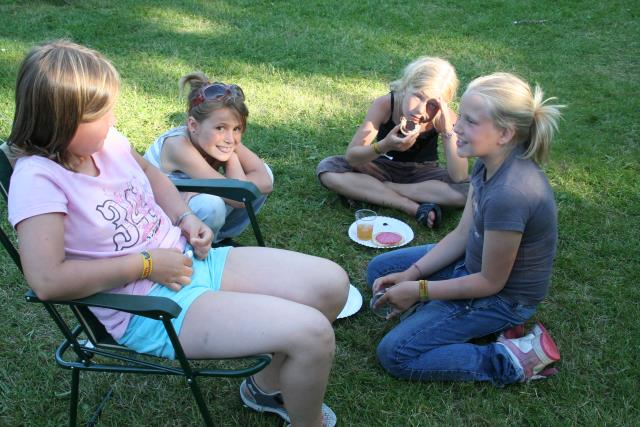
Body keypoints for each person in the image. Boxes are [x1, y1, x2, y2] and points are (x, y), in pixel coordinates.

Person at [7, 40, 347, 427]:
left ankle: (265, 387)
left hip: (190, 261)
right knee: (312, 335)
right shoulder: (38, 179)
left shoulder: (108, 143)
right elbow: (47, 281)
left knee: (331, 285)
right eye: (101, 113)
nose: (113, 119)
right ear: (62, 118)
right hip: (152, 309)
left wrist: (185, 217)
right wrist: (145, 265)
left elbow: (151, 175)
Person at [367, 72, 564, 385]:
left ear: (505, 134)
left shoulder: (510, 194)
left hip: (502, 298)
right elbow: (461, 235)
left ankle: (513, 358)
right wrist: (411, 274)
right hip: (471, 264)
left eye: (470, 121)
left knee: (395, 353)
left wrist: (419, 290)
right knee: (381, 270)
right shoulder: (488, 159)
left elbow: (489, 282)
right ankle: (454, 318)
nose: (456, 126)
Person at [317, 57, 469, 228]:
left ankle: (376, 190)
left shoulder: (444, 117)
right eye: (418, 96)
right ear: (405, 87)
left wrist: (448, 132)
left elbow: (459, 177)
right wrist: (384, 146)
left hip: (423, 175)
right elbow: (352, 157)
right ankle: (410, 206)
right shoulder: (386, 105)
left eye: (432, 105)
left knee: (471, 190)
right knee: (329, 168)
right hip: (382, 167)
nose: (420, 110)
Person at [144, 72, 273, 245]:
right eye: (220, 128)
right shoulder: (178, 146)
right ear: (193, 126)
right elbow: (237, 197)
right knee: (210, 204)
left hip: (186, 202)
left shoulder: (220, 140)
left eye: (237, 129)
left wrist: (231, 156)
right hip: (158, 218)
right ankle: (189, 248)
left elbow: (266, 181)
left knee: (265, 172)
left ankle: (218, 240)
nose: (230, 138)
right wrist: (232, 158)